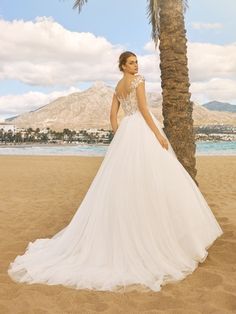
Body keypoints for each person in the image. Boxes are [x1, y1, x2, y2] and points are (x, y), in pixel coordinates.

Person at [8, 51, 223, 293]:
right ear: (122, 65)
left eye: (136, 62)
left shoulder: (118, 87)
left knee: (126, 183)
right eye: (131, 62)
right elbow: (143, 109)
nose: (136, 65)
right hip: (141, 130)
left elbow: (112, 117)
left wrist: (119, 134)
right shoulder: (138, 81)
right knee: (154, 179)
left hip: (127, 133)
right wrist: (158, 135)